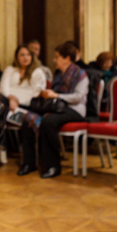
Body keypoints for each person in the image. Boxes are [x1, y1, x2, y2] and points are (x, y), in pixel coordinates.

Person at [18, 42, 89, 178]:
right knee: (28, 118)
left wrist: (57, 95)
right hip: (57, 108)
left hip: (74, 109)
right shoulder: (58, 74)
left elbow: (78, 97)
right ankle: (29, 163)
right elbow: (53, 95)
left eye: (57, 57)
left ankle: (53, 166)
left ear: (67, 58)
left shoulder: (81, 74)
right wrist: (46, 94)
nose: (54, 60)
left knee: (48, 121)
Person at [0, 45, 47, 113]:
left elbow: (37, 92)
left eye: (28, 55)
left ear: (32, 57)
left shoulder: (37, 72)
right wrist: (12, 98)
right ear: (17, 57)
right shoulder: (10, 69)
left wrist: (17, 100)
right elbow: (3, 87)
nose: (25, 58)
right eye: (22, 55)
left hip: (28, 103)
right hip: (9, 100)